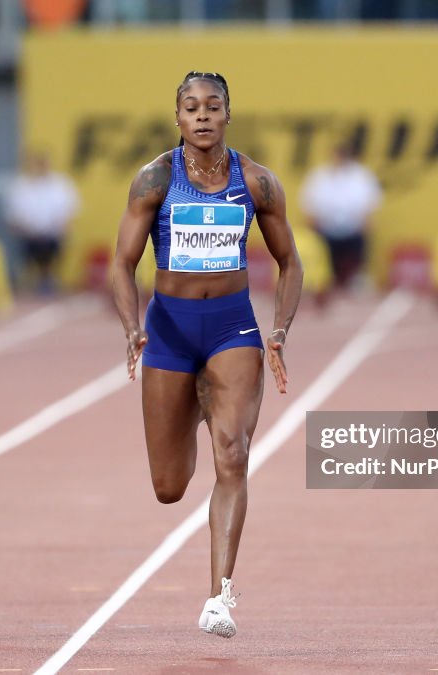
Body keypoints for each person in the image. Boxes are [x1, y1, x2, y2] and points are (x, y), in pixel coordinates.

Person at [110, 71, 303, 638]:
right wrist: (130, 328)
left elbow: (290, 261)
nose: (201, 115)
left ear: (226, 115)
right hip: (168, 331)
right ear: (178, 118)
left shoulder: (258, 182)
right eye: (190, 107)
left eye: (212, 106)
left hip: (232, 329)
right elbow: (123, 263)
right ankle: (193, 402)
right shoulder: (154, 178)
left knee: (234, 456)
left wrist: (280, 330)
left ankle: (219, 596)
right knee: (168, 487)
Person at [300, 140, 382, 296]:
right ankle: (321, 279)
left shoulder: (362, 176)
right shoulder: (319, 176)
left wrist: (364, 224)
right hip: (325, 228)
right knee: (313, 241)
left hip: (353, 229)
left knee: (364, 236)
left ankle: (358, 277)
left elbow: (369, 207)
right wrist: (312, 230)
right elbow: (309, 206)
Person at [3, 149, 79, 295]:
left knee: (52, 243)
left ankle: (47, 277)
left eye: (42, 163)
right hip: (28, 235)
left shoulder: (61, 185)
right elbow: (12, 219)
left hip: (53, 235)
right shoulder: (20, 186)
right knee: (33, 244)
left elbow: (69, 214)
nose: (39, 167)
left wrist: (58, 228)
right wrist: (28, 230)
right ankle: (36, 279)